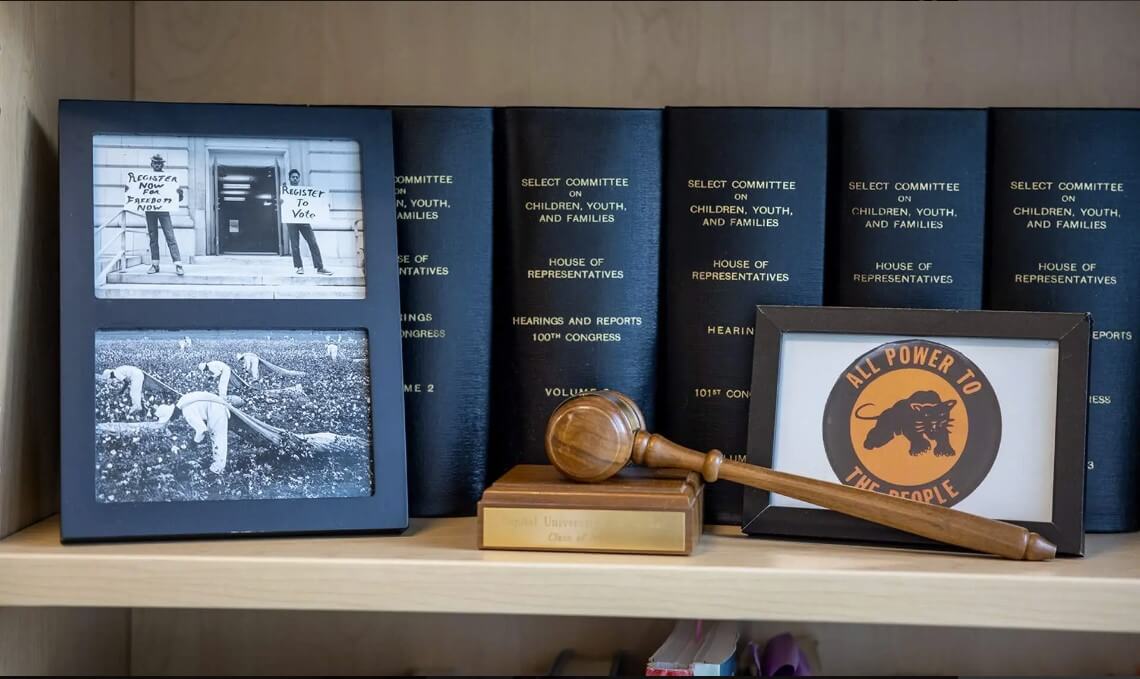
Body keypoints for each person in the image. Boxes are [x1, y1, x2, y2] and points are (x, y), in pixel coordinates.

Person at [157, 392, 231, 474]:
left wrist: (194, 442)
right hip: (216, 405)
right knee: (215, 435)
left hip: (216, 410)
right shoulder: (182, 401)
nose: (174, 420)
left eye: (172, 418)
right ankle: (217, 465)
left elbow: (202, 430)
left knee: (218, 437)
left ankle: (217, 469)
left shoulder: (187, 412)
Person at [139, 154, 184, 276]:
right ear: (152, 164)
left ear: (162, 164)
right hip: (150, 210)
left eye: (159, 163)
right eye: (155, 163)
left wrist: (179, 194)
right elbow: (137, 194)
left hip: (164, 210)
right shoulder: (144, 178)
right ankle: (155, 264)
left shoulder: (169, 179)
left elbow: (178, 199)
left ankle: (178, 264)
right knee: (153, 237)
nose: (157, 165)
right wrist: (130, 190)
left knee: (170, 236)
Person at [282, 169, 333, 276]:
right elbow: (281, 205)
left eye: (297, 177)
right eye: (293, 177)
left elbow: (316, 203)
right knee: (295, 245)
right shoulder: (285, 191)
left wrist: (324, 205)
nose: (295, 179)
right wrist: (282, 200)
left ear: (299, 179)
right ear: (290, 179)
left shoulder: (305, 192)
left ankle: (320, 267)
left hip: (303, 220)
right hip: (291, 221)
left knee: (313, 242)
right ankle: (299, 267)